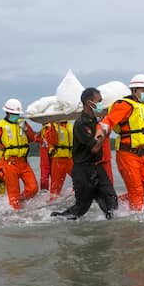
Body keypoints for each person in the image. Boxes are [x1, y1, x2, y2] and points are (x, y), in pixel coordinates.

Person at [96, 74, 144, 211]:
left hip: (142, 155)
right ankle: (136, 222)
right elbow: (108, 121)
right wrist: (99, 131)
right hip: (127, 155)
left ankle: (119, 202)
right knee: (136, 191)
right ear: (134, 90)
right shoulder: (124, 105)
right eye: (143, 91)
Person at [51, 88, 117, 219]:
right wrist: (103, 133)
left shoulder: (95, 122)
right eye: (99, 101)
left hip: (96, 167)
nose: (101, 105)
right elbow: (94, 148)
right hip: (83, 170)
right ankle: (56, 219)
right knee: (81, 208)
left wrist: (104, 129)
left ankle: (111, 228)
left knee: (111, 201)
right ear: (89, 102)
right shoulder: (81, 124)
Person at [46, 121, 74, 200]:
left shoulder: (70, 126)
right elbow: (51, 141)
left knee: (79, 178)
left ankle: (76, 197)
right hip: (58, 159)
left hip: (70, 158)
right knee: (55, 186)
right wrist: (53, 127)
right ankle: (52, 203)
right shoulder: (50, 126)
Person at [36, 123, 52, 191]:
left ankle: (51, 193)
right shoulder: (42, 132)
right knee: (44, 178)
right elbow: (36, 139)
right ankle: (45, 192)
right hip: (45, 157)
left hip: (51, 156)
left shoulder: (51, 130)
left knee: (52, 176)